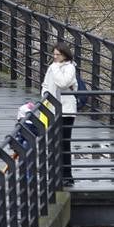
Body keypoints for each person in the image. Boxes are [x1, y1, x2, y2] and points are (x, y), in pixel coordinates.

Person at [41, 41, 79, 185]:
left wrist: (56, 68)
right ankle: (55, 174)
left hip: (66, 110)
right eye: (54, 54)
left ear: (65, 55)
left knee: (64, 143)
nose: (55, 57)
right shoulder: (53, 67)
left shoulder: (69, 67)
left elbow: (63, 83)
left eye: (58, 54)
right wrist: (44, 94)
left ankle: (67, 176)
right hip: (51, 108)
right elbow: (46, 84)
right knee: (53, 142)